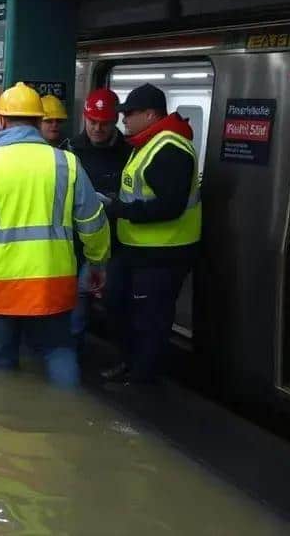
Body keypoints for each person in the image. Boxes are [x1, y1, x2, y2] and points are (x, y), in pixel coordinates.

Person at [0, 82, 111, 387]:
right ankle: (67, 413)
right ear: (37, 121)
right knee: (59, 351)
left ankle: (1, 421)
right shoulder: (67, 164)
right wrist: (97, 264)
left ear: (0, 121)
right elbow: (94, 223)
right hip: (52, 283)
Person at [101, 83, 201, 384]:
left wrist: (119, 210)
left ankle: (142, 379)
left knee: (150, 319)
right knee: (119, 304)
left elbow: (170, 207)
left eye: (129, 114)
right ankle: (129, 363)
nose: (124, 120)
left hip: (163, 253)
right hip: (136, 249)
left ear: (150, 114)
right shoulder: (147, 143)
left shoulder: (169, 148)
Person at [67, 88, 131, 353]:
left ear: (115, 120)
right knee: (76, 304)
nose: (97, 128)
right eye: (92, 121)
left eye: (104, 123)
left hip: (116, 241)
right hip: (78, 242)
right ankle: (75, 355)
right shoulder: (71, 149)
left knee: (116, 302)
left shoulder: (129, 152)